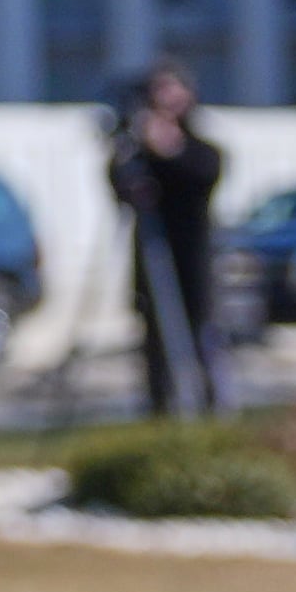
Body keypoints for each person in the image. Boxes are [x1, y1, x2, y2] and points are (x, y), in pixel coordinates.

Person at [111, 61, 230, 418]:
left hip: (191, 256)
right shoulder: (138, 150)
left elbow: (203, 174)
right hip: (152, 256)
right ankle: (160, 407)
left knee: (200, 332)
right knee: (154, 341)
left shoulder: (198, 148)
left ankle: (209, 404)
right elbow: (122, 187)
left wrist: (169, 147)